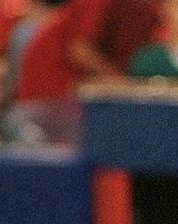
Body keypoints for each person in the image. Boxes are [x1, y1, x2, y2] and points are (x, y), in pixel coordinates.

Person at [13, 0, 162, 143]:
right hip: (50, 100)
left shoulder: (152, 7)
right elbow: (79, 49)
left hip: (83, 101)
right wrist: (120, 81)